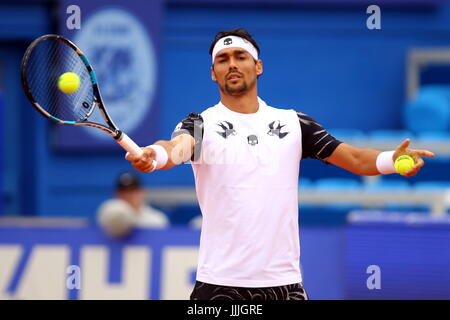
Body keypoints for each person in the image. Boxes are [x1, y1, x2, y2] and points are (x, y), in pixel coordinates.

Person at [126, 28, 435, 300]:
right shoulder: (200, 123)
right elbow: (178, 148)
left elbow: (354, 159)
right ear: (213, 73)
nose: (232, 63)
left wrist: (393, 161)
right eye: (223, 59)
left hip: (284, 285)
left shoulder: (294, 124)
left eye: (240, 56)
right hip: (218, 284)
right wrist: (156, 156)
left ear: (257, 66)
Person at [97, 171, 169, 238]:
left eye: (132, 190)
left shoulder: (156, 220)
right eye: (124, 191)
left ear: (142, 192)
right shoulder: (109, 213)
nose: (129, 195)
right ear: (116, 193)